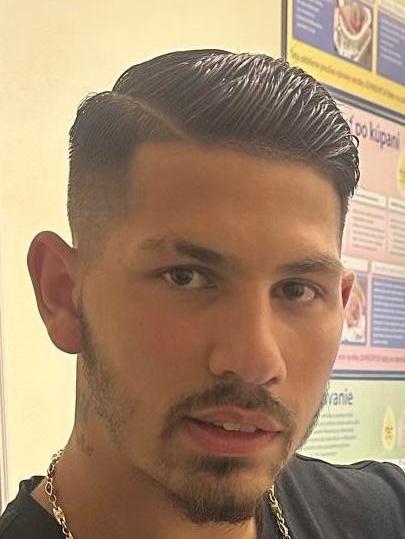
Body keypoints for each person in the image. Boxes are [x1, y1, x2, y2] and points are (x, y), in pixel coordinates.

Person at [0, 49, 404, 539]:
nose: (256, 360)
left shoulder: (384, 514)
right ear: (63, 294)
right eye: (185, 277)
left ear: (340, 301)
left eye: (297, 290)